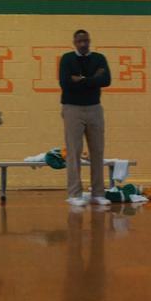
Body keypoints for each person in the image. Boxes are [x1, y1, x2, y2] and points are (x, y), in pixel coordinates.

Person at [59, 29, 112, 207]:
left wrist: (80, 80)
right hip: (72, 108)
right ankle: (74, 193)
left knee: (97, 151)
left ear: (89, 41)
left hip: (94, 108)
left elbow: (106, 80)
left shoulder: (99, 58)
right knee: (73, 151)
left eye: (85, 40)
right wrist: (92, 79)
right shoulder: (66, 59)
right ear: (74, 42)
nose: (83, 44)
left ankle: (98, 193)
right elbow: (65, 83)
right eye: (79, 41)